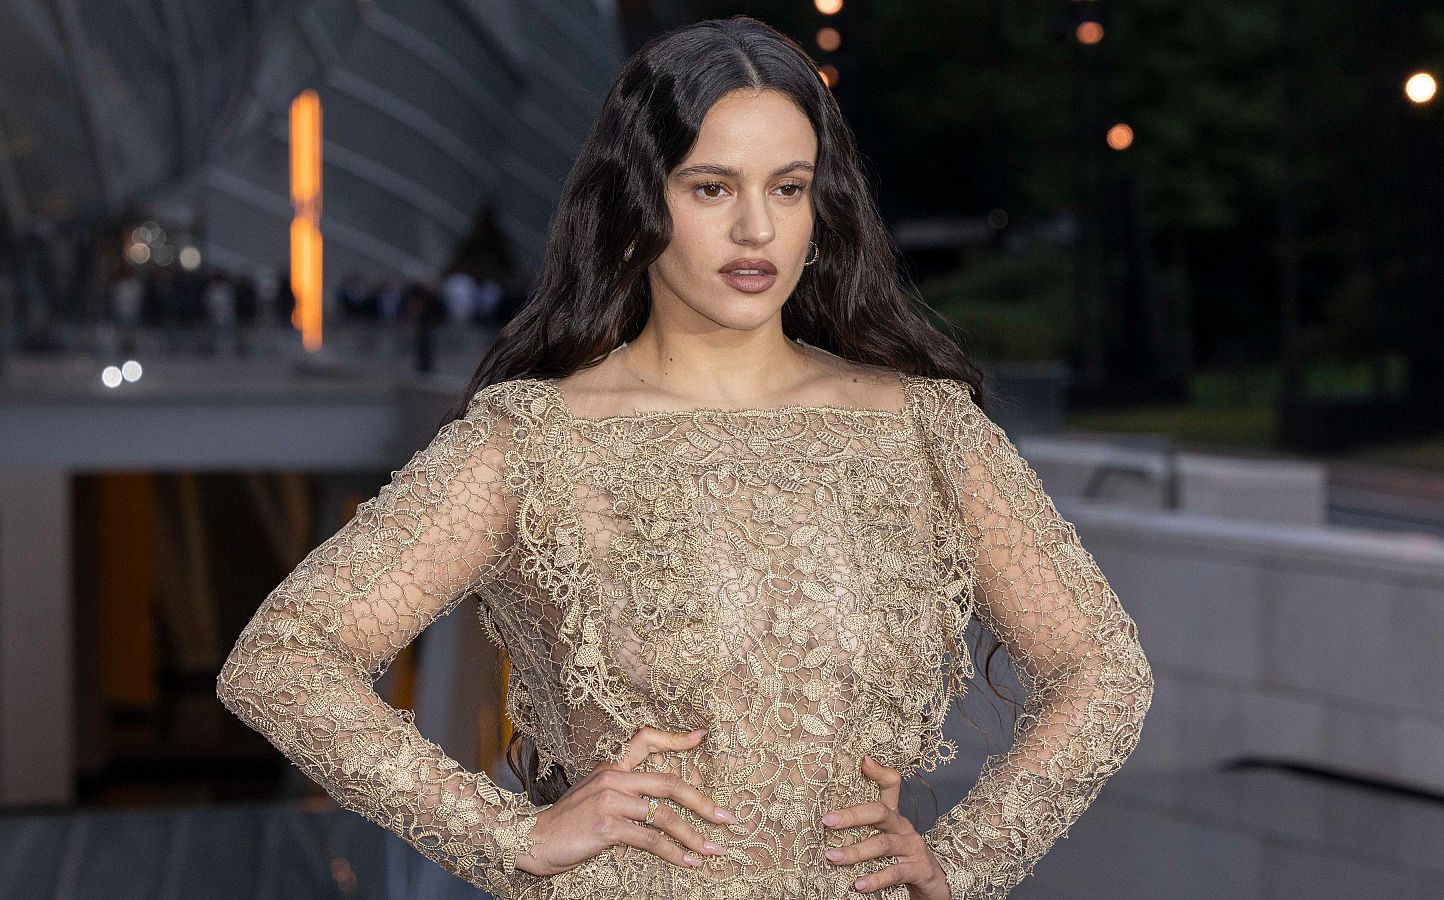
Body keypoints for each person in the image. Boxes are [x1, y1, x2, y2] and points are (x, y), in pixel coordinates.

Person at [215, 15, 1154, 900]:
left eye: (787, 188)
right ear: (639, 203)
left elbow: (1104, 668)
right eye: (713, 188)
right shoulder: (538, 438)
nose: (757, 231)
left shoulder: (923, 430)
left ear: (819, 209)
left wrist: (963, 861)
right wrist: (509, 837)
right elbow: (282, 659)